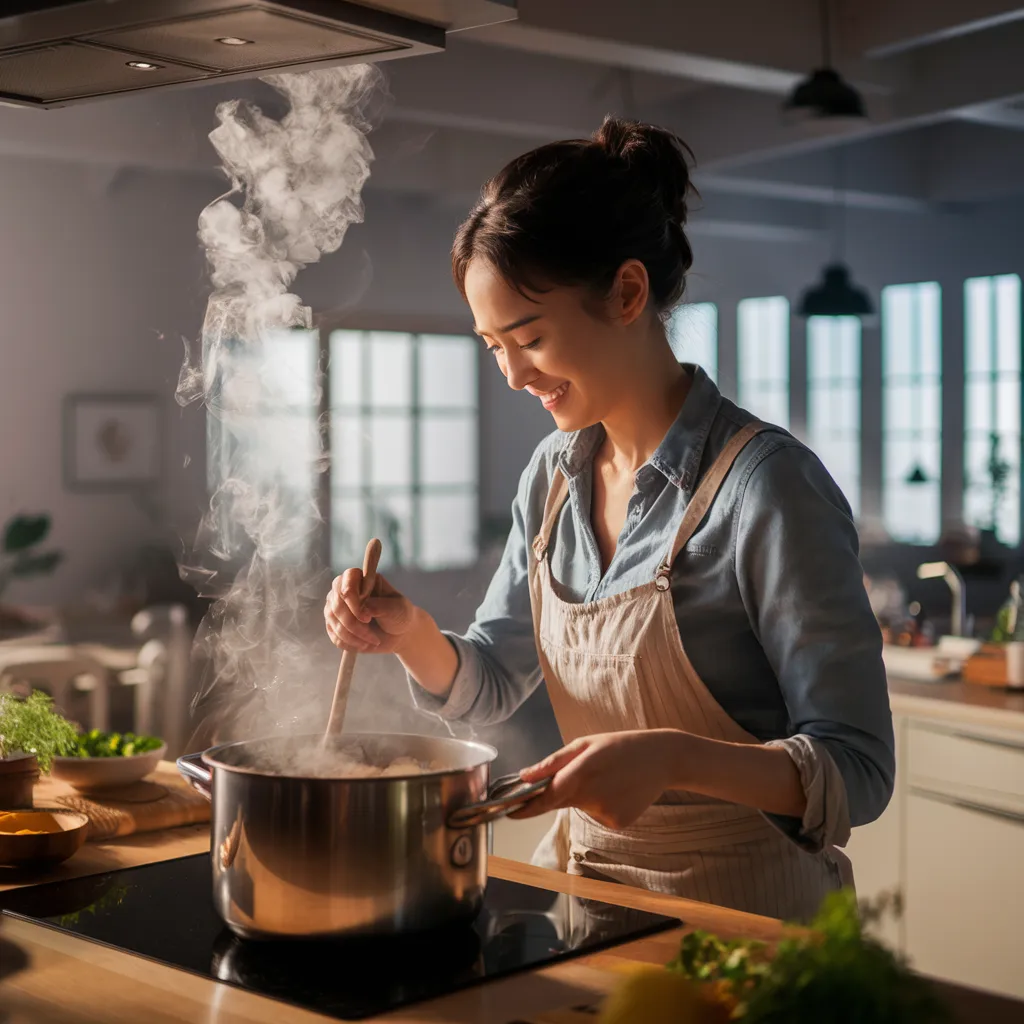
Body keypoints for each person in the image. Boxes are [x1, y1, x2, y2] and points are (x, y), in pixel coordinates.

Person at [324, 115, 894, 923]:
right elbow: (491, 681)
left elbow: (859, 769)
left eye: (529, 337)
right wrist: (408, 633)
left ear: (627, 293)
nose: (514, 375)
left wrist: (671, 759)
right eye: (493, 347)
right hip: (586, 906)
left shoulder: (766, 487)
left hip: (747, 927)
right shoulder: (551, 481)